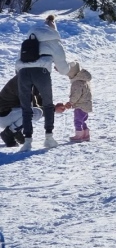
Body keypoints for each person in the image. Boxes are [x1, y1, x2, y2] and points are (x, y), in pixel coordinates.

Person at [16, 14, 70, 151]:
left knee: (26, 107)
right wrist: (61, 68)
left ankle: (27, 141)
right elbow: (63, 68)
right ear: (53, 27)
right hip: (41, 72)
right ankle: (49, 138)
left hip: (23, 73)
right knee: (47, 104)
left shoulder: (29, 38)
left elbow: (19, 61)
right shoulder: (53, 41)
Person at [0, 74, 42, 147]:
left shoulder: (26, 78)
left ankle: (15, 131)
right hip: (4, 116)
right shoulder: (22, 82)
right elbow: (28, 107)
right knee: (35, 113)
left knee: (34, 111)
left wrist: (52, 108)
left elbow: (35, 103)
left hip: (8, 115)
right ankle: (9, 132)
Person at [63, 61, 93, 142]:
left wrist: (70, 103)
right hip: (86, 105)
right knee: (82, 120)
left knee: (77, 121)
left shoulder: (77, 83)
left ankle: (78, 135)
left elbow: (76, 95)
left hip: (80, 105)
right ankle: (86, 134)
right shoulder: (84, 80)